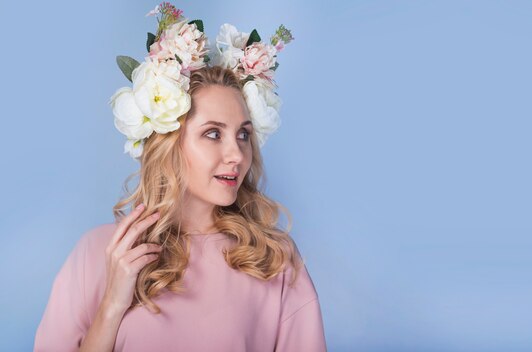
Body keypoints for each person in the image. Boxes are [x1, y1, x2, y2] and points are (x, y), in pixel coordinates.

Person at [34, 3, 327, 351]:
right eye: (213, 134)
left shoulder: (273, 259)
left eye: (243, 134)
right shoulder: (97, 254)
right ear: (169, 143)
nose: (236, 154)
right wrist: (112, 305)